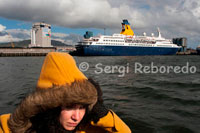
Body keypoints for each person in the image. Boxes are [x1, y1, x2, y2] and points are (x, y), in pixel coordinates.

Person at [0, 52, 131, 133]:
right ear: (50, 105)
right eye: (69, 107)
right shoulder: (10, 127)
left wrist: (102, 113)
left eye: (82, 107)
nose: (77, 117)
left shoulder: (87, 129)